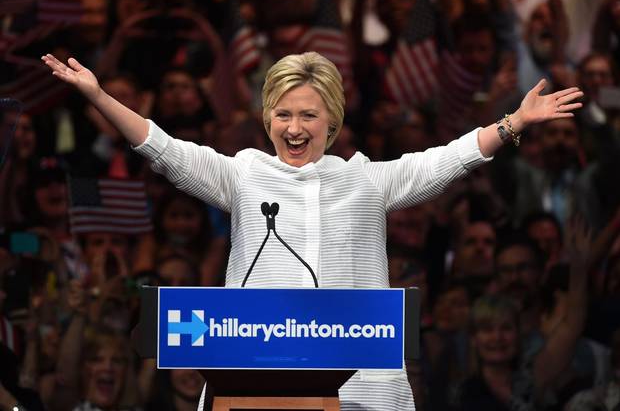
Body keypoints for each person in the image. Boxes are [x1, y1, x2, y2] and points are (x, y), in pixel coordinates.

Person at [41, 50, 583, 410]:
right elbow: (163, 149)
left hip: (358, 385)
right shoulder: (244, 174)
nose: (294, 128)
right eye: (283, 114)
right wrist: (96, 95)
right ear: (266, 119)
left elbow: (447, 159)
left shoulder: (366, 181)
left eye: (308, 115)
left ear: (333, 121)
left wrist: (513, 123)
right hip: (256, 376)